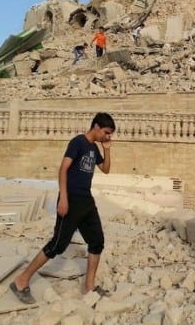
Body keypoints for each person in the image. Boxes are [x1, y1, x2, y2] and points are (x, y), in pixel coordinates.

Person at [10, 113, 116, 304]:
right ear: (97, 126)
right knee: (57, 245)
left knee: (97, 242)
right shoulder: (78, 142)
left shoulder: (93, 148)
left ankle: (89, 287)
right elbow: (63, 169)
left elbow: (106, 169)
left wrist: (106, 149)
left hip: (86, 201)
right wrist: (63, 199)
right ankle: (21, 280)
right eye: (106, 133)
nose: (108, 136)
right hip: (72, 199)